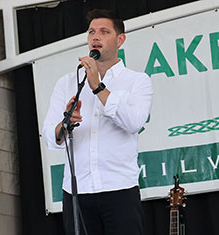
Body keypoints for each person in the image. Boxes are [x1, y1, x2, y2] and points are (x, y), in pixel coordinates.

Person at [42, 9, 153, 235]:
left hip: (119, 189)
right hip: (77, 193)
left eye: (104, 32)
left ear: (120, 39)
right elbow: (50, 138)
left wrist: (97, 87)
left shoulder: (137, 81)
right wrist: (66, 123)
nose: (95, 37)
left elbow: (133, 122)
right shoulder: (67, 83)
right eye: (92, 32)